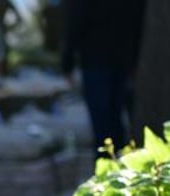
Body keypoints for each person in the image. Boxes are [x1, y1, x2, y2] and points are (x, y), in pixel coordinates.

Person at [61, 0, 146, 155]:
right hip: (123, 57)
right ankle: (119, 161)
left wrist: (67, 60)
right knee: (117, 120)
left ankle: (109, 166)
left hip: (97, 58)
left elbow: (76, 19)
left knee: (103, 124)